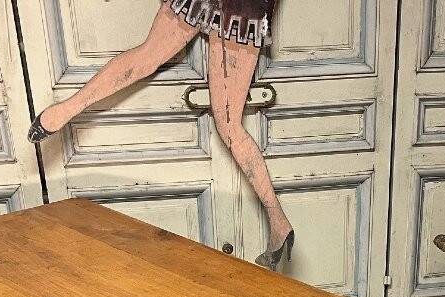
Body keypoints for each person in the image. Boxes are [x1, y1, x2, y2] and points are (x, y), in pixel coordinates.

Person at [28, 0, 294, 270]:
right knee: (222, 119)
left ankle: (278, 222)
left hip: (240, 7)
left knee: (224, 120)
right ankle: (279, 222)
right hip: (238, 8)